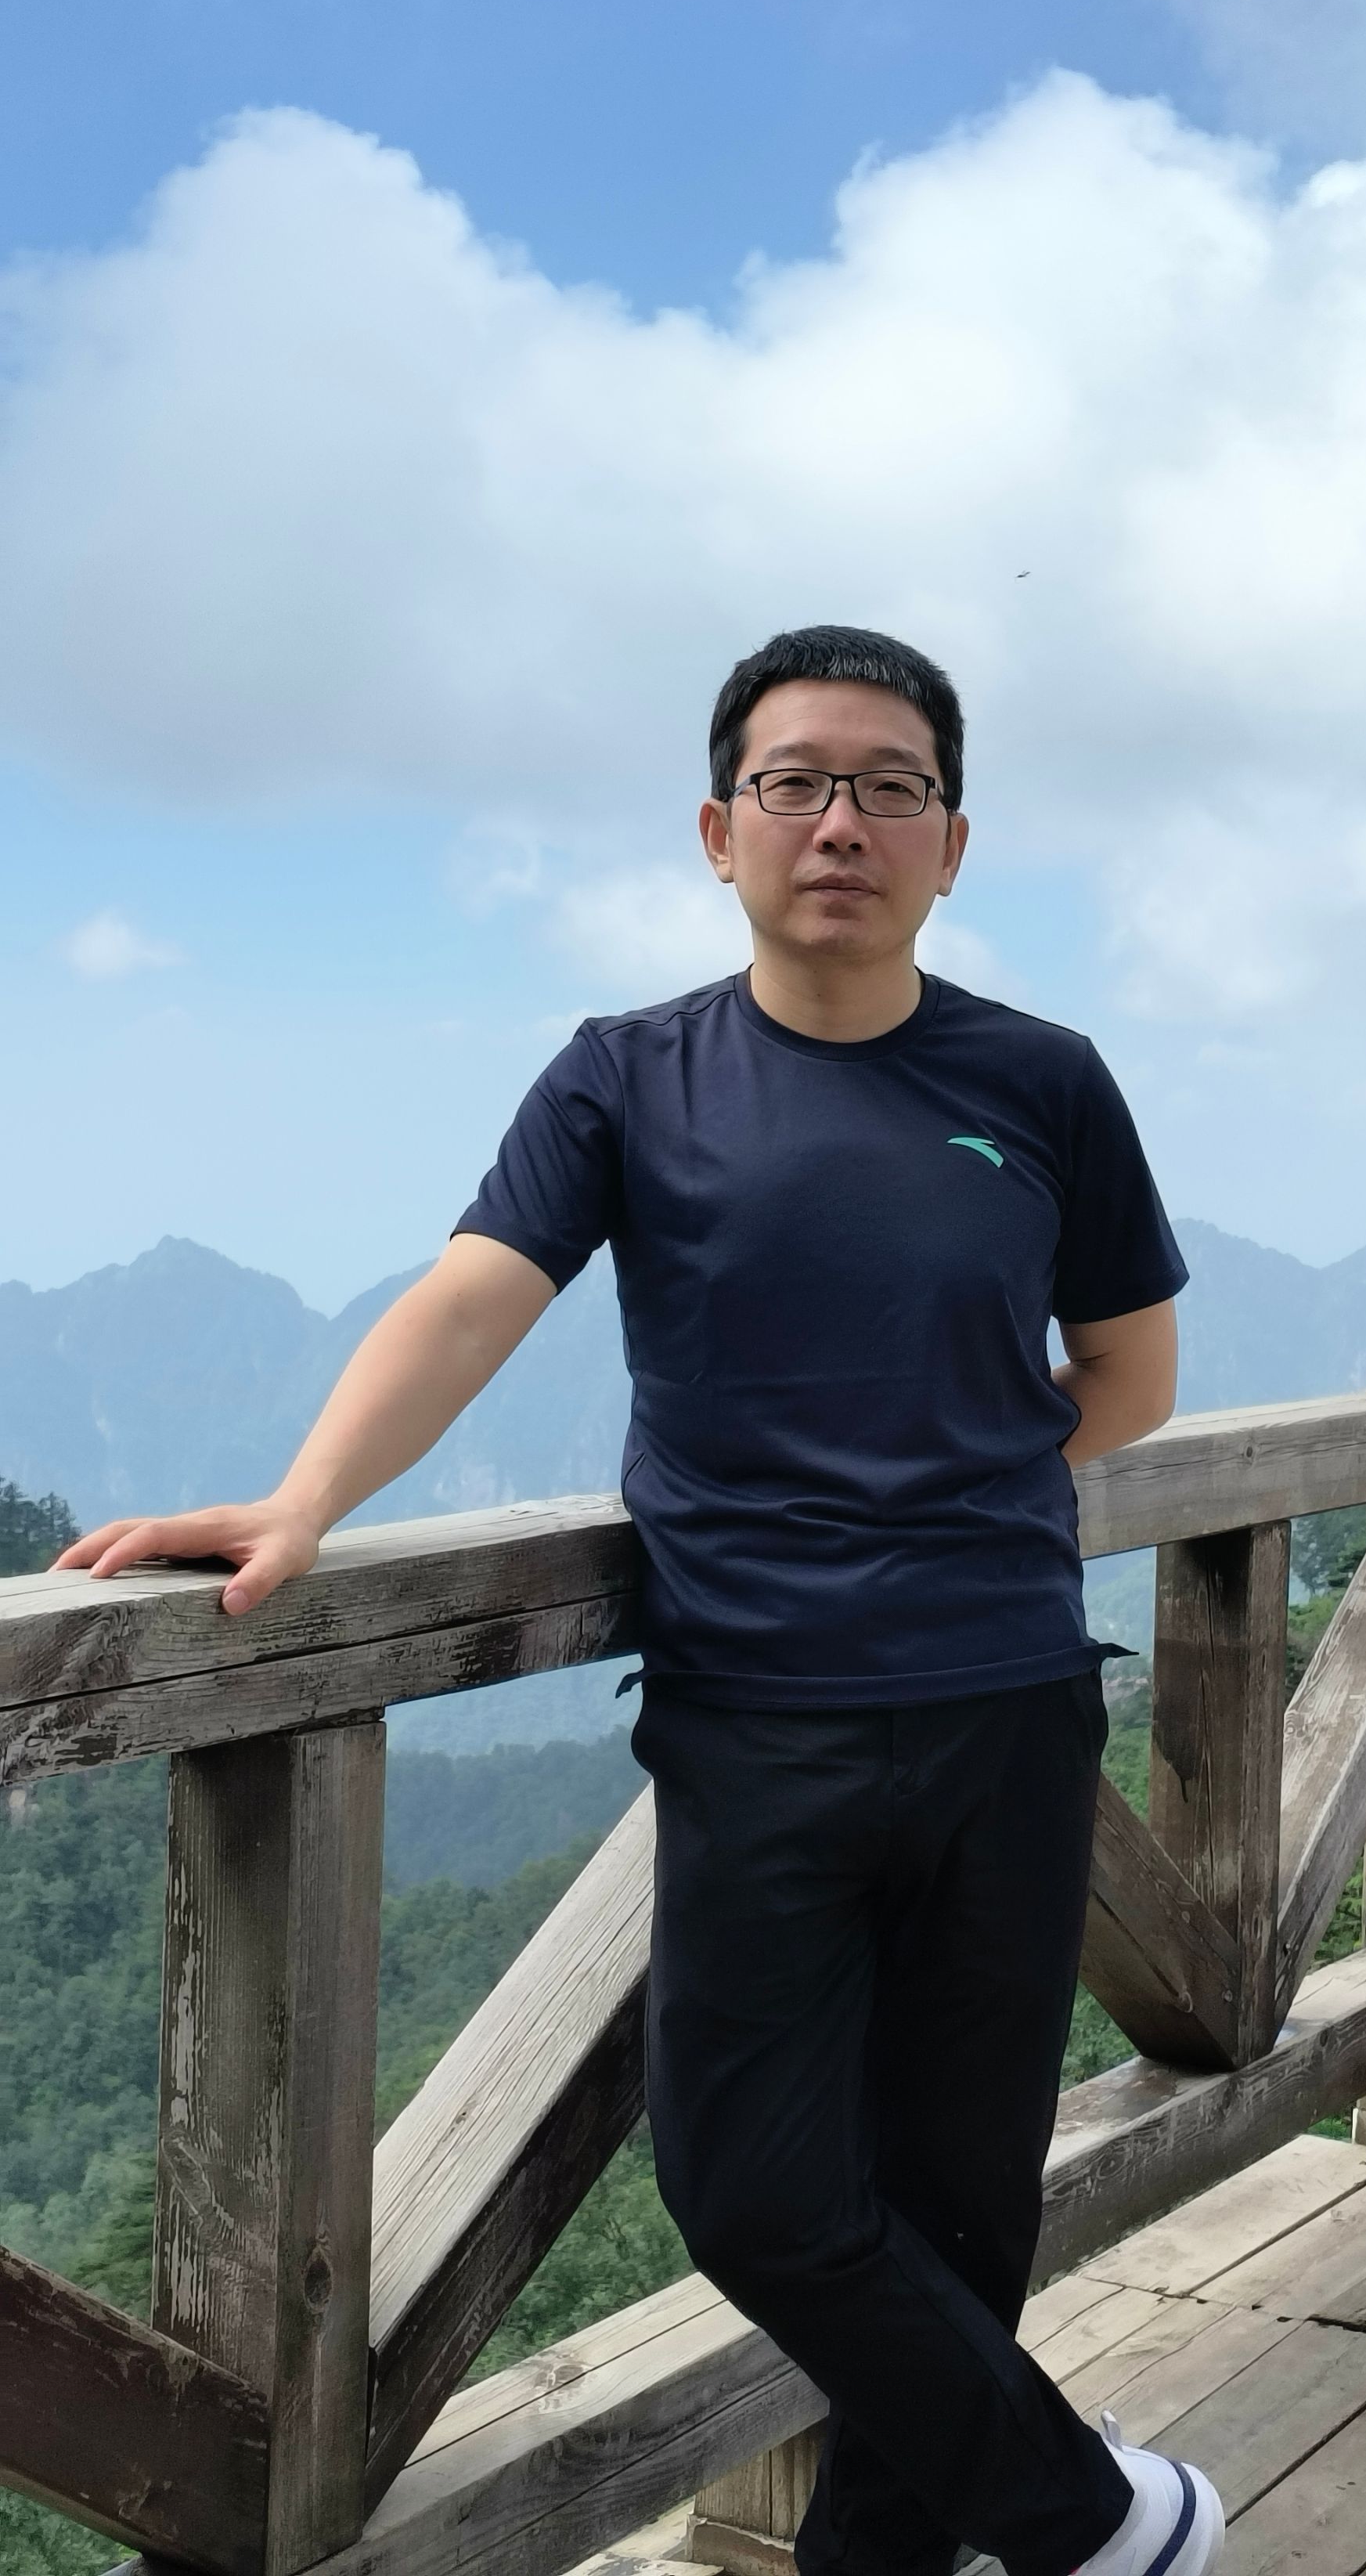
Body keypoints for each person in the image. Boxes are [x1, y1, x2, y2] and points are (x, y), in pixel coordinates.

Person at [56, 626, 1223, 2576]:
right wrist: (306, 1497)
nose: (840, 821)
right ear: (717, 827)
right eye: (795, 781)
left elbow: (1131, 1375)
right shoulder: (630, 1076)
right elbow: (471, 1296)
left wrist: (940, 1462)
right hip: (756, 1714)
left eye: (890, 787)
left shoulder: (1042, 1080)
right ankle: (1107, 2519)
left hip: (1006, 1700)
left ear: (950, 843)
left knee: (958, 2203)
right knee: (756, 2189)